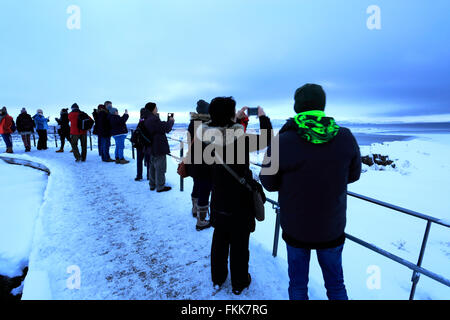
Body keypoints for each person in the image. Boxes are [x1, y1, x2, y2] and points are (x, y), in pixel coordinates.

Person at [259, 84, 362, 300]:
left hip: (296, 228)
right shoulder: (345, 137)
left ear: (297, 107)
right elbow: (353, 175)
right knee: (336, 286)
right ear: (322, 106)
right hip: (331, 227)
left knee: (298, 286)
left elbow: (268, 181)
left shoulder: (283, 141)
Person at [197, 97, 272, 295]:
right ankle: (239, 282)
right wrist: (262, 117)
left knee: (220, 239)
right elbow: (266, 139)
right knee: (240, 243)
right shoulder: (241, 140)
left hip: (219, 197)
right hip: (240, 201)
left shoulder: (204, 138)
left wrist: (235, 121)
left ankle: (218, 278)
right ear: (230, 115)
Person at [185, 99, 213, 230]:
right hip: (205, 162)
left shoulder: (193, 123)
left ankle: (195, 209)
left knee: (197, 184)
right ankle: (201, 220)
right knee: (205, 189)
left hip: (194, 160)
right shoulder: (207, 125)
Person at [143, 102, 174, 192]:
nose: (157, 109)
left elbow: (157, 128)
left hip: (151, 146)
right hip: (158, 146)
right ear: (152, 109)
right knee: (160, 167)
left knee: (152, 166)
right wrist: (171, 121)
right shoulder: (153, 119)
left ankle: (152, 184)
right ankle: (160, 186)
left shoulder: (146, 118)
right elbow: (165, 128)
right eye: (156, 108)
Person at [134, 107, 151, 180]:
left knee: (139, 160)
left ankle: (139, 175)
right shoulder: (149, 121)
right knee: (148, 161)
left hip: (139, 144)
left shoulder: (140, 121)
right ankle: (149, 176)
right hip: (146, 144)